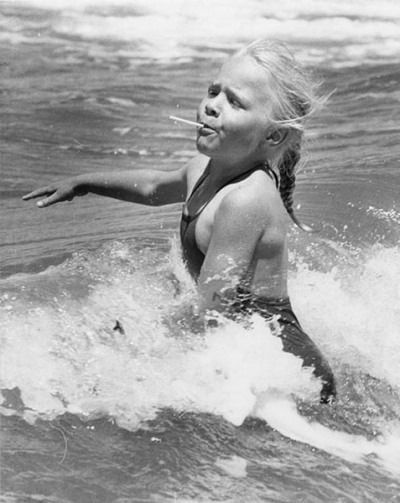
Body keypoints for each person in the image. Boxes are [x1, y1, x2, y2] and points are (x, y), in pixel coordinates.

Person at [23, 39, 336, 403]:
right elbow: (154, 187)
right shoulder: (204, 167)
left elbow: (214, 305)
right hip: (246, 344)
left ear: (273, 135)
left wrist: (145, 342)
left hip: (284, 366)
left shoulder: (245, 199)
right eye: (213, 91)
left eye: (234, 102)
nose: (212, 106)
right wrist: (84, 183)